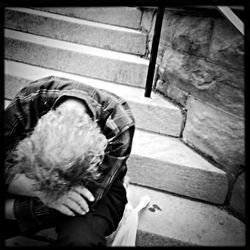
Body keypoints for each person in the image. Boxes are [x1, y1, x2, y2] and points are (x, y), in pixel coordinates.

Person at [4, 75, 135, 246]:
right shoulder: (29, 99)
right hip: (24, 173)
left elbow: (89, 196)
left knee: (81, 240)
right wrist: (34, 189)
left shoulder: (119, 122)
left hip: (93, 186)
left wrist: (11, 209)